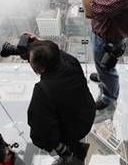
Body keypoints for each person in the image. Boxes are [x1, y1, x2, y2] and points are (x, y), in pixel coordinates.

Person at [26, 36, 96, 165]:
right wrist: (40, 44)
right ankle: (79, 151)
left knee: (54, 135)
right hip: (88, 113)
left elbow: (40, 129)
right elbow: (57, 54)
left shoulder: (42, 90)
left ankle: (71, 157)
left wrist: (58, 147)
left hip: (73, 131)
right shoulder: (71, 62)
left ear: (40, 69)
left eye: (30, 61)